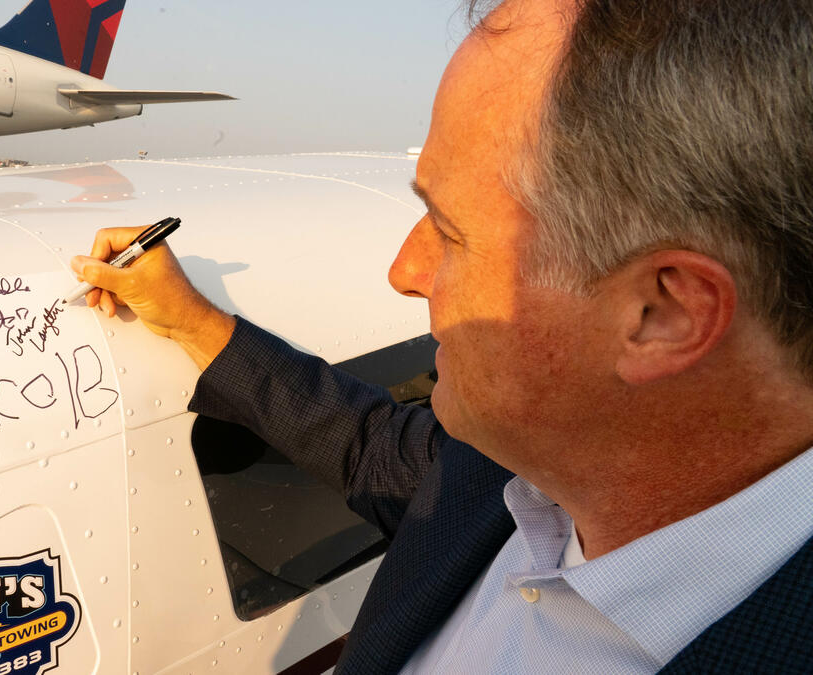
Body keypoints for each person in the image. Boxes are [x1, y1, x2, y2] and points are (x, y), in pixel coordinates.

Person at [71, 0, 813, 672]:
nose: (404, 270)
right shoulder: (510, 471)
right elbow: (368, 445)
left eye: (451, 233)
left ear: (663, 315)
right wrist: (196, 321)